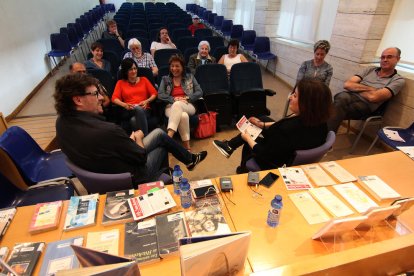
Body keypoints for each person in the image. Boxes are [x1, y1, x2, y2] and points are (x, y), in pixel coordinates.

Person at [54, 73, 207, 186]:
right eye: (95, 94)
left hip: (105, 172)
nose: (101, 98)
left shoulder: (61, 123)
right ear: (78, 100)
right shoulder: (108, 131)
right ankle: (164, 181)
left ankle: (189, 160)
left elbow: (109, 148)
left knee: (160, 134)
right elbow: (140, 157)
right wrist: (138, 139)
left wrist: (126, 142)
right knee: (161, 145)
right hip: (130, 178)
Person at [213, 79, 332, 173]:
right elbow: (285, 124)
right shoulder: (320, 120)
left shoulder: (285, 130)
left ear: (307, 103)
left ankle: (243, 170)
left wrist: (247, 138)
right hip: (291, 146)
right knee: (263, 119)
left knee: (249, 141)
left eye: (295, 96)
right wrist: (262, 124)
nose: (290, 97)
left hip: (276, 162)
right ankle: (229, 146)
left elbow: (265, 153)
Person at [328, 47, 405, 133]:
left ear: (397, 59)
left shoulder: (398, 80)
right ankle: (326, 139)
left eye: (389, 57)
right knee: (334, 107)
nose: (385, 60)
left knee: (334, 106)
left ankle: (324, 139)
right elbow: (347, 84)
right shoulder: (370, 70)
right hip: (349, 100)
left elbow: (373, 97)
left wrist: (357, 88)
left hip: (366, 106)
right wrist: (371, 89)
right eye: (382, 57)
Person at [158, 55, 203, 150]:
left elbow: (200, 91)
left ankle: (168, 138)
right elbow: (160, 94)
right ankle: (187, 148)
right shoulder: (165, 79)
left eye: (177, 66)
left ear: (182, 67)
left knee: (178, 104)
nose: (174, 68)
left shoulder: (190, 77)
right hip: (170, 106)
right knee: (183, 116)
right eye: (172, 66)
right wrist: (173, 99)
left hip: (188, 105)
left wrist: (187, 98)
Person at [112, 58, 158, 136]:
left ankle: (140, 140)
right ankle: (146, 138)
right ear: (126, 71)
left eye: (135, 68)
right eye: (130, 69)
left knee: (134, 120)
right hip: (129, 110)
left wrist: (147, 101)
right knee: (136, 109)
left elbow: (154, 93)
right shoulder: (120, 83)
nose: (134, 71)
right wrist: (125, 105)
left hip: (145, 109)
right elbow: (114, 98)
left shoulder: (144, 80)